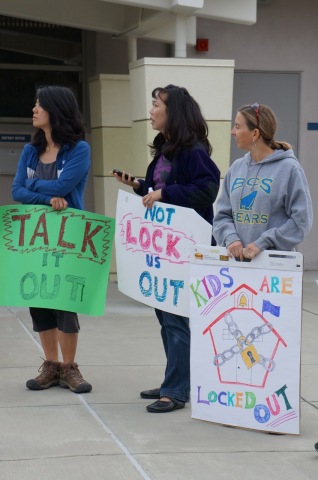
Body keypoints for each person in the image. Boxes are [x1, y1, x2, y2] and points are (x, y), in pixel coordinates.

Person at [112, 84, 220, 412]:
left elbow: (206, 189)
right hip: (165, 249)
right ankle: (175, 380)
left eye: (156, 104)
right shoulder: (165, 148)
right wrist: (140, 186)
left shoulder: (193, 150)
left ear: (172, 111)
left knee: (174, 319)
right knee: (166, 317)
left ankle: (175, 391)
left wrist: (163, 193)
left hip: (185, 249)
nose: (151, 110)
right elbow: (159, 188)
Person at [12, 85, 92, 394]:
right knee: (39, 300)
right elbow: (16, 191)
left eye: (39, 104)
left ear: (55, 110)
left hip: (67, 238)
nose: (33, 109)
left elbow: (66, 183)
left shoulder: (79, 150)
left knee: (64, 301)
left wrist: (32, 186)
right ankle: (51, 366)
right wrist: (47, 199)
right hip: (34, 237)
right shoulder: (30, 150)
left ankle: (70, 367)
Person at [213, 102, 313, 260]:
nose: (233, 132)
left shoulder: (289, 169)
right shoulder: (237, 168)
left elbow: (301, 221)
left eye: (238, 127)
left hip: (274, 268)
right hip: (235, 266)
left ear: (255, 134)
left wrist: (263, 242)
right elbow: (222, 215)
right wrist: (231, 238)